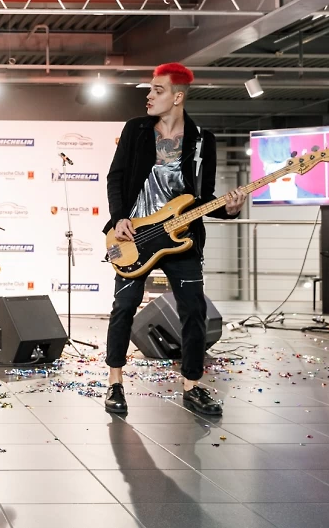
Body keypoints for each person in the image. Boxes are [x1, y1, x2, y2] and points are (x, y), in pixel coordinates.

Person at [103, 62, 247, 416]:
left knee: (194, 310)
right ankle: (115, 382)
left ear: (178, 97)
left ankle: (192, 385)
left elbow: (203, 198)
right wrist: (119, 218)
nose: (149, 96)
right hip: (136, 234)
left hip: (182, 238)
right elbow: (115, 177)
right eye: (150, 89)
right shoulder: (136, 130)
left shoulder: (202, 140)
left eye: (158, 90)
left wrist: (229, 209)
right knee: (124, 306)